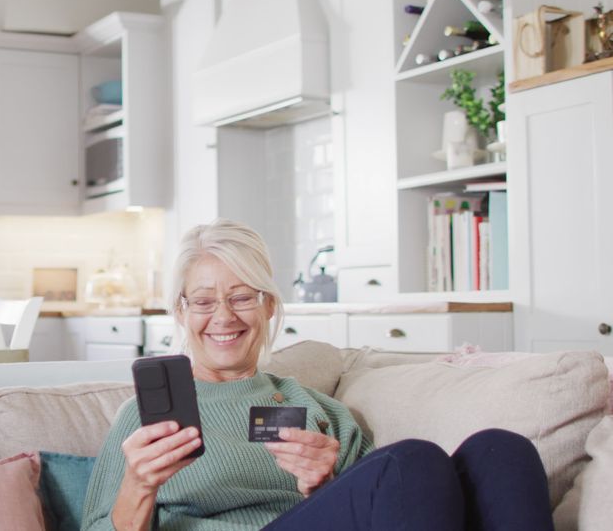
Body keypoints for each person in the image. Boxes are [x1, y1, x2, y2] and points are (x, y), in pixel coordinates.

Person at [81, 219, 554, 530]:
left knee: (502, 451)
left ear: (268, 306)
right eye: (203, 301)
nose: (223, 316)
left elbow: (386, 507)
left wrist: (321, 488)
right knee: (412, 459)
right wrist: (139, 485)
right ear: (181, 313)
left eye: (243, 296)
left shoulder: (318, 410)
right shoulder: (143, 420)